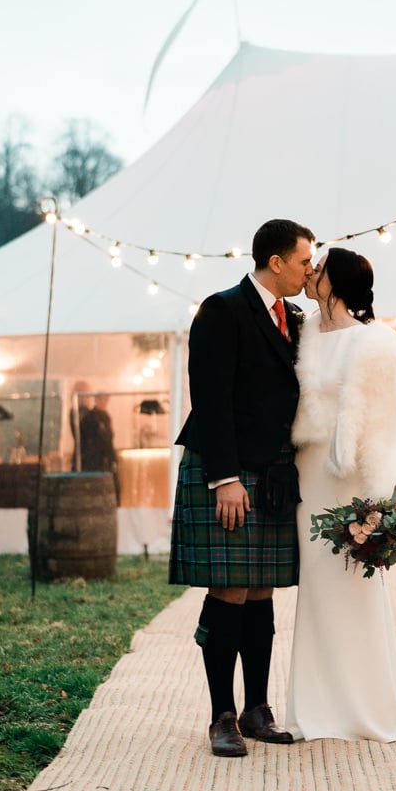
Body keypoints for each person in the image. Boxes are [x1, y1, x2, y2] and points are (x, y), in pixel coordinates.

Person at [170, 218, 316, 757]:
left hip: (275, 471)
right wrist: (224, 479)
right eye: (304, 261)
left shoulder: (296, 318)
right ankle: (221, 717)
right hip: (227, 469)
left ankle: (257, 709)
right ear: (275, 262)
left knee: (261, 591)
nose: (309, 269)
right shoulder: (222, 309)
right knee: (229, 589)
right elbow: (210, 398)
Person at [286, 247, 396, 742]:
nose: (310, 272)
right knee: (317, 589)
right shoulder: (305, 335)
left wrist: (377, 501)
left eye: (318, 268)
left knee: (354, 584)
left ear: (335, 283)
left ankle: (367, 705)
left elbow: (386, 428)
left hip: (348, 479)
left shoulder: (377, 343)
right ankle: (316, 708)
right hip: (308, 474)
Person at [79, 393, 120, 504]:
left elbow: (108, 438)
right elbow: (100, 439)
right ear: (96, 400)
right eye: (102, 400)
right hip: (95, 460)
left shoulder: (104, 416)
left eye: (106, 400)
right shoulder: (90, 417)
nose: (104, 403)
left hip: (103, 459)